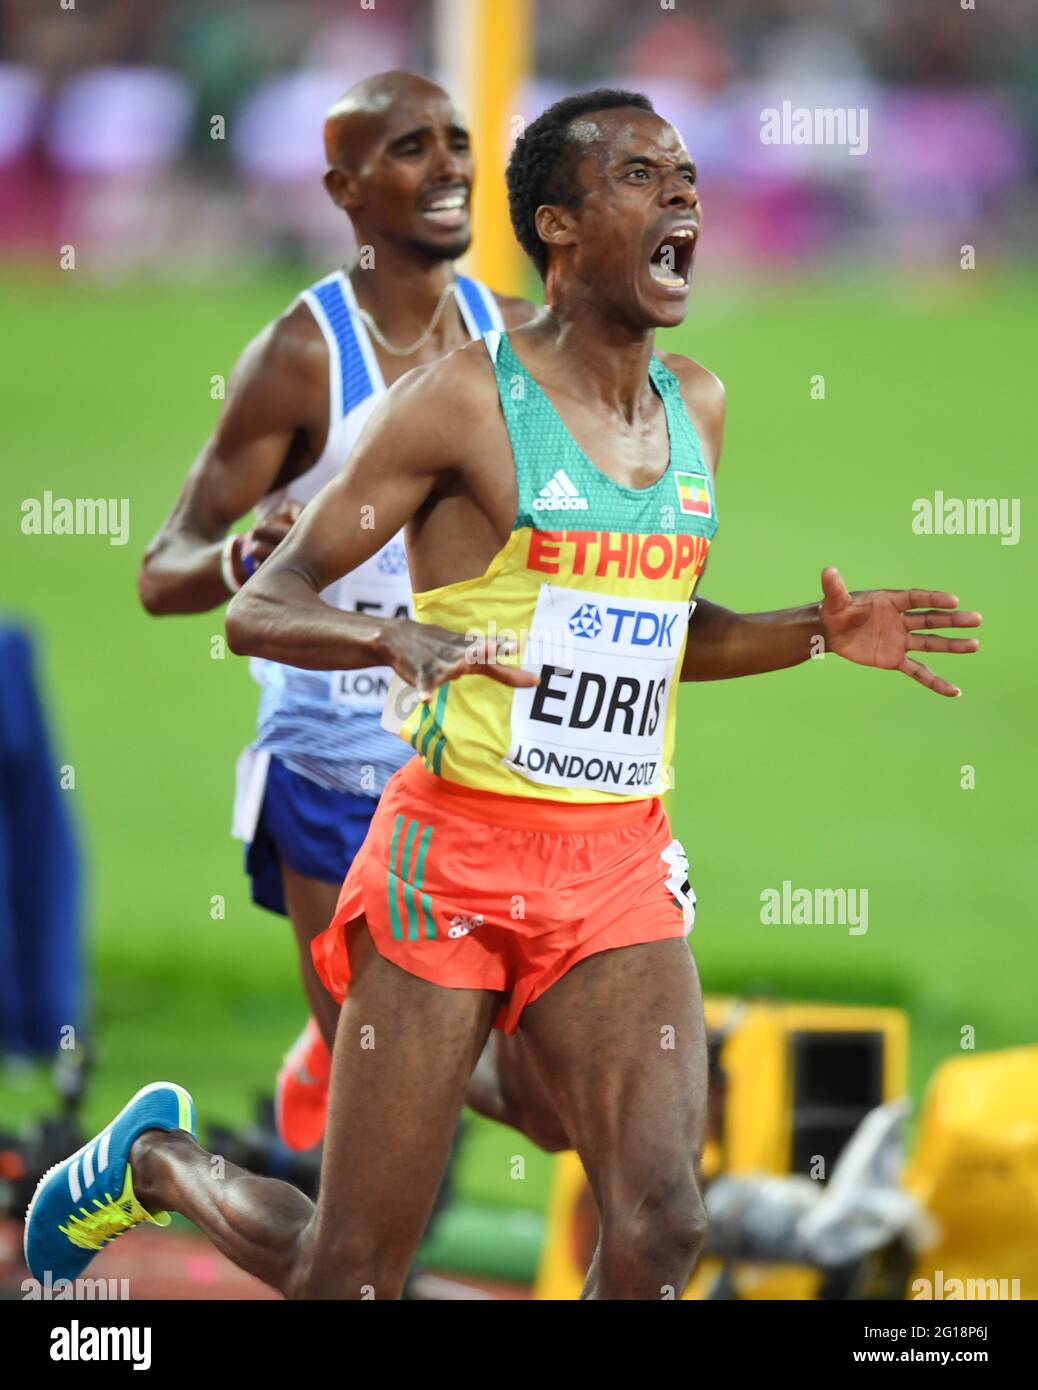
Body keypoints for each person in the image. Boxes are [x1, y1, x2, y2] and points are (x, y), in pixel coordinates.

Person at [29, 88, 980, 1300]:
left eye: (686, 175)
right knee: (355, 1271)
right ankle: (157, 1162)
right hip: (453, 858)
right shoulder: (464, 402)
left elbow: (664, 634)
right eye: (642, 176)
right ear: (560, 226)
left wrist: (819, 631)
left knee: (660, 1222)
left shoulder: (697, 404)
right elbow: (262, 604)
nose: (682, 194)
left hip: (617, 865)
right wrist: (402, 643)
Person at [136, 70, 541, 1151]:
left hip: (473, 758)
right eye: (414, 147)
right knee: (402, 1118)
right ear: (345, 187)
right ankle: (157, 1163)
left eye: (459, 142)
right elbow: (160, 569)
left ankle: (331, 1048)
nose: (451, 165)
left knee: (544, 1105)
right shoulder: (303, 356)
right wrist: (237, 560)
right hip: (329, 762)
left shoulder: (511, 335)